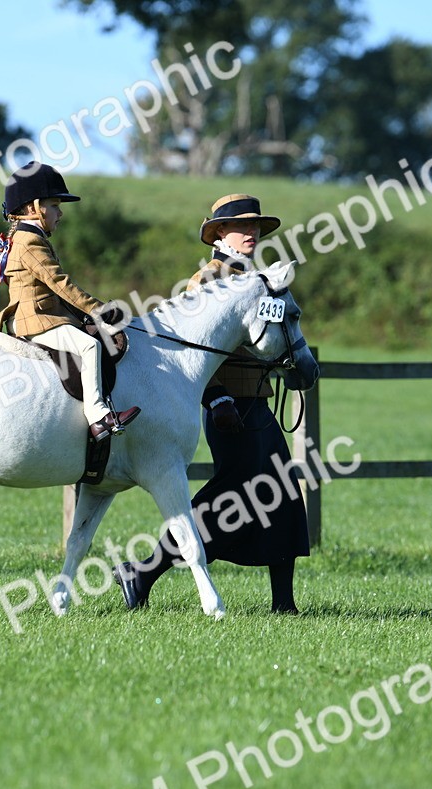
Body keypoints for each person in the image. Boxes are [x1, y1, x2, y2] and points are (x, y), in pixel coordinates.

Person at [112, 193, 310, 613]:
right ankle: (144, 572)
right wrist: (217, 397)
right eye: (243, 226)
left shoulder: (261, 280)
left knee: (285, 492)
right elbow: (194, 352)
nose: (252, 233)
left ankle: (285, 603)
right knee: (232, 496)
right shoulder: (207, 279)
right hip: (225, 407)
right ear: (220, 233)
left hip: (257, 401)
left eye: (256, 227)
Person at [0, 161, 139, 442]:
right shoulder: (29, 242)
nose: (60, 213)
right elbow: (60, 284)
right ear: (35, 207)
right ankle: (98, 417)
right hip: (38, 320)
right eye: (55, 205)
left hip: (43, 315)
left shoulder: (26, 238)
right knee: (90, 345)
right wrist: (99, 310)